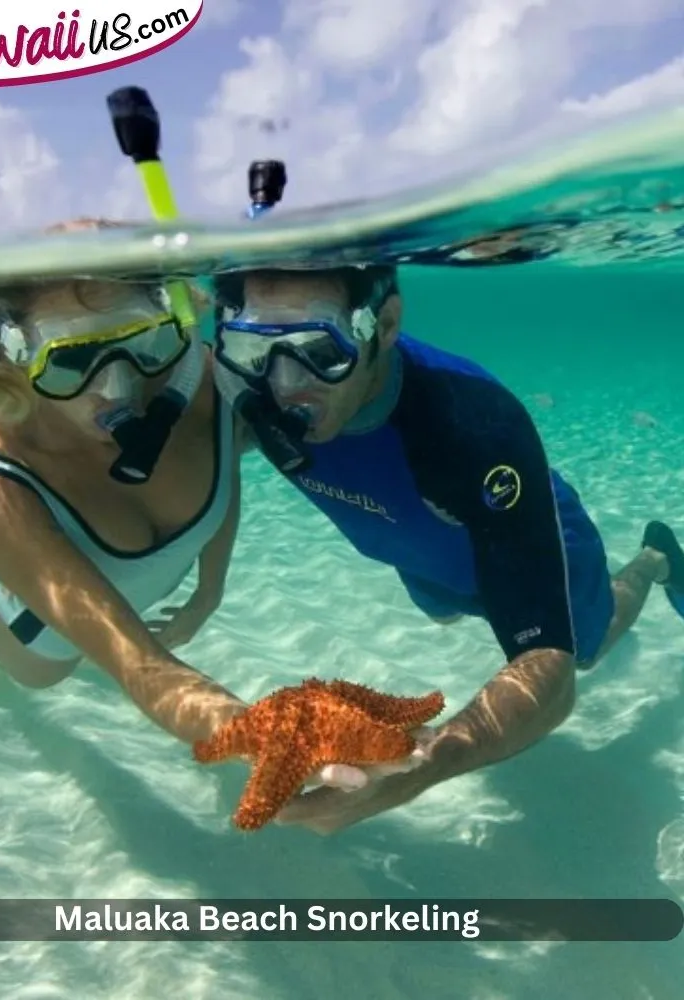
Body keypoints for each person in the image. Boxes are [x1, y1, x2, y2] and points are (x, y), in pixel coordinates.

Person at [0, 222, 424, 801]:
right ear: (15, 356)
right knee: (19, 660)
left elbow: (223, 476)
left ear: (172, 321)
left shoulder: (203, 378)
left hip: (126, 592)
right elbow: (138, 664)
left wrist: (207, 592)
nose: (118, 390)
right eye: (71, 361)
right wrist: (266, 734)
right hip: (36, 638)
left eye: (142, 343)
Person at [211, 262, 684, 833]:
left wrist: (412, 775)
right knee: (444, 614)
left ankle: (655, 558)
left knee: (586, 648)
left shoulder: (473, 428)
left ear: (383, 325)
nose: (285, 385)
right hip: (422, 559)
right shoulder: (242, 387)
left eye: (318, 347)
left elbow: (550, 677)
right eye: (256, 348)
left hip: (528, 531)